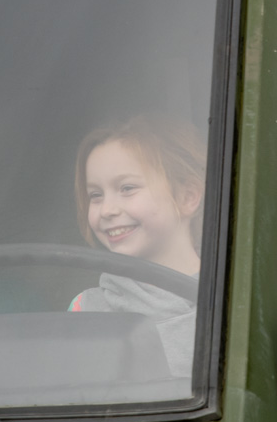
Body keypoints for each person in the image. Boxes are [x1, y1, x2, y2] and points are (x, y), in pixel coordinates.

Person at [68, 116, 206, 377]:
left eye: (127, 188)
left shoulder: (235, 303)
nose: (107, 210)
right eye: (95, 195)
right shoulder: (85, 309)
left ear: (188, 196)